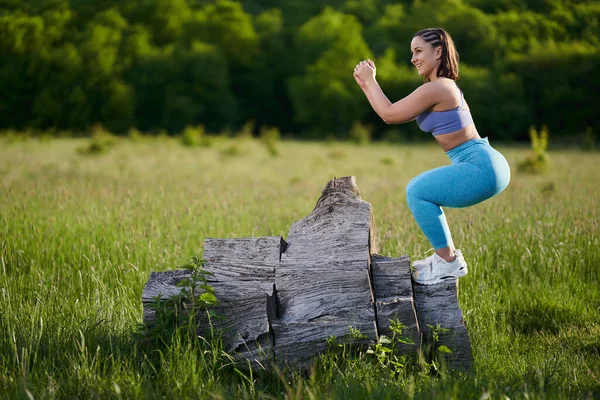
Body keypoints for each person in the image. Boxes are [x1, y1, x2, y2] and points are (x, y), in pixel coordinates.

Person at [353, 27, 510, 285]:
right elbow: (389, 112)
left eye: (418, 51)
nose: (413, 58)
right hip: (486, 163)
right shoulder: (437, 88)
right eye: (411, 52)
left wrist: (371, 81)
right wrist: (366, 85)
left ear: (438, 52)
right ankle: (445, 259)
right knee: (419, 190)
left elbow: (389, 114)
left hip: (481, 166)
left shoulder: (439, 88)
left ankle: (447, 261)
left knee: (417, 191)